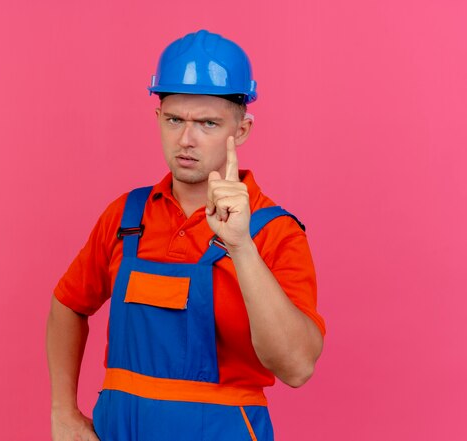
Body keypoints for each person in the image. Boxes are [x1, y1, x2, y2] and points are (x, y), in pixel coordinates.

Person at [46, 29, 325, 441]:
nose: (186, 140)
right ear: (158, 118)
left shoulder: (273, 232)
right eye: (175, 119)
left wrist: (240, 247)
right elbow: (67, 304)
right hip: (120, 426)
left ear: (242, 130)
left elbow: (297, 368)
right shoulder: (127, 217)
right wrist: (63, 413)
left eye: (208, 123)